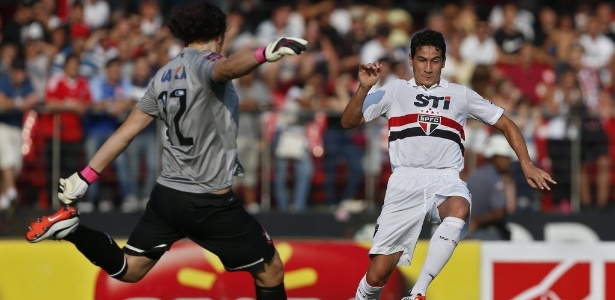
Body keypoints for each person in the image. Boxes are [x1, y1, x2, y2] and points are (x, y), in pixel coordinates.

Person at [25, 1, 307, 299]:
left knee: (130, 268)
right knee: (271, 269)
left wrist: (84, 176)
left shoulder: (163, 75)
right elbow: (226, 68)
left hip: (168, 196)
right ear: (220, 34)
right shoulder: (207, 63)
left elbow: (126, 131)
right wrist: (264, 53)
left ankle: (73, 230)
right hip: (208, 200)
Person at [341, 29, 555, 300]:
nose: (428, 68)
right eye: (422, 60)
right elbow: (349, 122)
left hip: (445, 177)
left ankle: (418, 292)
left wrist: (526, 162)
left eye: (435, 60)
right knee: (378, 275)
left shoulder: (460, 95)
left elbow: (506, 122)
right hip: (405, 181)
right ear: (411, 60)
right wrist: (363, 88)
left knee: (460, 207)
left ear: (443, 61)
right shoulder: (395, 90)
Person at [0, 57, 39, 211]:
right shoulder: (4, 81)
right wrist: (19, 103)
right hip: (2, 125)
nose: (21, 75)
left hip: (17, 128)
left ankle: (3, 196)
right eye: (18, 72)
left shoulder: (27, 83)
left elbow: (35, 98)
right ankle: (10, 191)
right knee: (7, 158)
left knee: (14, 165)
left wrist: (13, 103)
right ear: (13, 72)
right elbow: (1, 102)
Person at [466, 134, 516, 241]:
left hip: (470, 232)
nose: (508, 162)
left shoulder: (477, 174)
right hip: (483, 233)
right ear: (494, 157)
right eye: (504, 158)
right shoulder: (494, 178)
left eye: (508, 158)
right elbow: (499, 213)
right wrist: (476, 221)